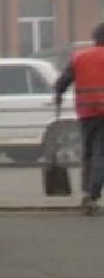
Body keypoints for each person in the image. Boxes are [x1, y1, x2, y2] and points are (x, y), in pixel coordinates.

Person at [52, 24, 104, 215]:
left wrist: (58, 95)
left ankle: (86, 194)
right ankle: (92, 194)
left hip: (86, 113)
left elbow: (62, 81)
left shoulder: (80, 57)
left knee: (89, 153)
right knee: (101, 154)